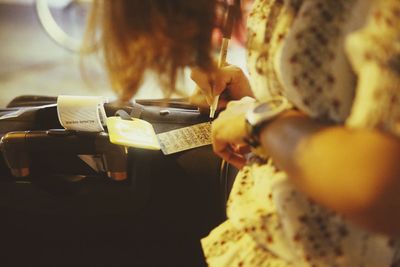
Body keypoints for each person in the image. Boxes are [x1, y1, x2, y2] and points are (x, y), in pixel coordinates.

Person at [84, 0, 400, 266]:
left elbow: (384, 190)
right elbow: (333, 113)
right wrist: (262, 97)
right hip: (264, 234)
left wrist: (259, 119)